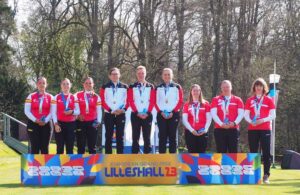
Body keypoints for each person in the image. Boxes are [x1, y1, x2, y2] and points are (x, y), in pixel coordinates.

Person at [244, 78, 276, 184]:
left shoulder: (269, 100)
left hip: (265, 129)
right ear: (254, 88)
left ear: (263, 88)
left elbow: (273, 115)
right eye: (256, 86)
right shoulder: (250, 100)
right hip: (253, 129)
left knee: (266, 153)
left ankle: (266, 175)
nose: (258, 88)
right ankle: (254, 175)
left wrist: (262, 120)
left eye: (260, 86)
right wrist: (251, 122)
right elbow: (246, 115)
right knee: (253, 152)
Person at [100, 67, 129, 154]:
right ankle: (108, 157)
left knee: (120, 136)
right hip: (109, 114)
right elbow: (102, 100)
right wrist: (110, 110)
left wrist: (123, 110)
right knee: (108, 136)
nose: (115, 76)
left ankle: (120, 157)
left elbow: (128, 101)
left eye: (116, 74)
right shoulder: (104, 87)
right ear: (110, 76)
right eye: (113, 74)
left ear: (119, 75)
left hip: (120, 114)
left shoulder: (125, 87)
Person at [127, 66, 156, 154]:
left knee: (147, 136)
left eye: (142, 73)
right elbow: (130, 101)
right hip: (135, 114)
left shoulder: (151, 86)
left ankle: (148, 155)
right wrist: (137, 112)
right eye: (139, 73)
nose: (141, 75)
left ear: (145, 74)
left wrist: (147, 112)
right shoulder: (132, 86)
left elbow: (152, 101)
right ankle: (135, 155)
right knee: (135, 136)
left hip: (147, 115)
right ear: (136, 74)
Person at [210, 80, 244, 153]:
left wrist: (234, 123)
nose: (225, 89)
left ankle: (233, 165)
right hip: (219, 129)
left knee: (233, 152)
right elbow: (213, 114)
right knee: (221, 152)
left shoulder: (238, 100)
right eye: (224, 87)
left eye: (227, 87)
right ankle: (222, 165)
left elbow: (241, 114)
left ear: (231, 88)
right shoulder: (215, 99)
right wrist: (221, 124)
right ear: (221, 88)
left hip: (233, 129)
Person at [155, 68, 183, 153]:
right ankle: (162, 159)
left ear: (172, 75)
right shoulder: (158, 87)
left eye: (169, 74)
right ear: (162, 76)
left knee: (172, 136)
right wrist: (161, 112)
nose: (167, 76)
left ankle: (172, 159)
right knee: (162, 136)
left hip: (173, 114)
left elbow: (180, 101)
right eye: (165, 74)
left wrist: (173, 112)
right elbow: (155, 102)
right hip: (161, 114)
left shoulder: (177, 87)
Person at [24, 77, 53, 154]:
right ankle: (34, 166)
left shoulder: (51, 97)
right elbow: (26, 111)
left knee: (45, 149)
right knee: (34, 148)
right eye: (40, 83)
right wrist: (36, 120)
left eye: (43, 83)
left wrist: (45, 120)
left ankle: (45, 166)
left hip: (46, 124)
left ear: (46, 85)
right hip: (33, 124)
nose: (42, 85)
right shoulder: (30, 96)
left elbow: (52, 112)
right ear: (37, 85)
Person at [51, 78, 79, 154]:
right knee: (59, 148)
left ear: (70, 85)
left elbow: (78, 111)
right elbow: (53, 113)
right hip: (59, 124)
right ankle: (59, 165)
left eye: (67, 84)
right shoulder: (56, 97)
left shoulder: (74, 97)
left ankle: (69, 165)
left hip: (71, 124)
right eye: (64, 84)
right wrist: (56, 124)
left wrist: (72, 112)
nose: (65, 86)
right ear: (61, 86)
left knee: (70, 148)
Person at [182, 84, 212, 153]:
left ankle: (202, 164)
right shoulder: (186, 105)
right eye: (194, 91)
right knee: (192, 154)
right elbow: (184, 120)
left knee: (202, 153)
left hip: (202, 132)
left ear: (200, 92)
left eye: (197, 91)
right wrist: (192, 130)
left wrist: (205, 130)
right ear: (191, 92)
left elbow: (209, 119)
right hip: (190, 132)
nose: (196, 92)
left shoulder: (206, 104)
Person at [76, 77, 102, 154]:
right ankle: (79, 164)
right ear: (83, 84)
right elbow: (75, 108)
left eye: (90, 83)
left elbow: (99, 110)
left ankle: (92, 165)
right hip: (81, 122)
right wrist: (77, 116)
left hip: (93, 123)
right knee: (81, 145)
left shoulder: (96, 96)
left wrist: (98, 121)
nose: (88, 85)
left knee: (92, 146)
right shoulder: (77, 95)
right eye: (86, 83)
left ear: (93, 84)